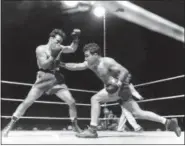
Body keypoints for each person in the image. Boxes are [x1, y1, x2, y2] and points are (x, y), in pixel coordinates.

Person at [59, 43, 181, 138]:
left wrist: (117, 84)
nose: (85, 58)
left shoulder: (107, 61)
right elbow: (76, 66)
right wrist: (62, 64)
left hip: (120, 88)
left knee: (95, 98)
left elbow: (125, 71)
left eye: (87, 55)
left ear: (96, 54)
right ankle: (168, 122)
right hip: (118, 90)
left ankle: (92, 129)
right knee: (138, 113)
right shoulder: (90, 64)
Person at [2, 28, 82, 137]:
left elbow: (72, 49)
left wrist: (76, 39)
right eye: (57, 41)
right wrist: (53, 55)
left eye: (60, 42)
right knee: (27, 102)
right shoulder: (40, 49)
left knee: (71, 102)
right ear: (51, 38)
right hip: (43, 77)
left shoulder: (60, 48)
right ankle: (10, 126)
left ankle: (75, 126)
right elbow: (44, 65)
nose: (59, 44)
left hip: (56, 78)